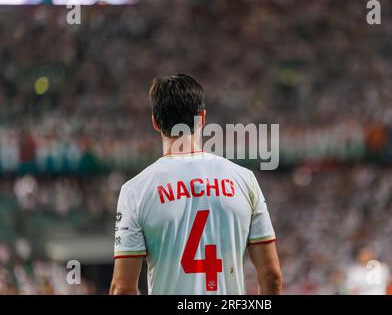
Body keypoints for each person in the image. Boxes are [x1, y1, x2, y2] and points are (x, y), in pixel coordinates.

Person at [109, 74, 282, 295]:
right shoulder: (244, 179)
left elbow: (122, 288)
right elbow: (271, 276)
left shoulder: (134, 191)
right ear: (202, 118)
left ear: (154, 121)